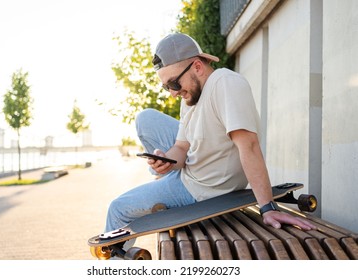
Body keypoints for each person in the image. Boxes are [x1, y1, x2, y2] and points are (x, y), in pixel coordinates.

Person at [104, 33, 315, 245]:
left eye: (174, 84)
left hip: (200, 189)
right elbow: (181, 147)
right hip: (192, 167)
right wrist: (165, 160)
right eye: (166, 87)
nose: (173, 94)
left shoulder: (225, 84)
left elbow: (249, 146)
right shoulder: (191, 96)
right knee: (145, 119)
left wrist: (267, 207)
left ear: (197, 66)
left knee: (118, 209)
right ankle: (163, 179)